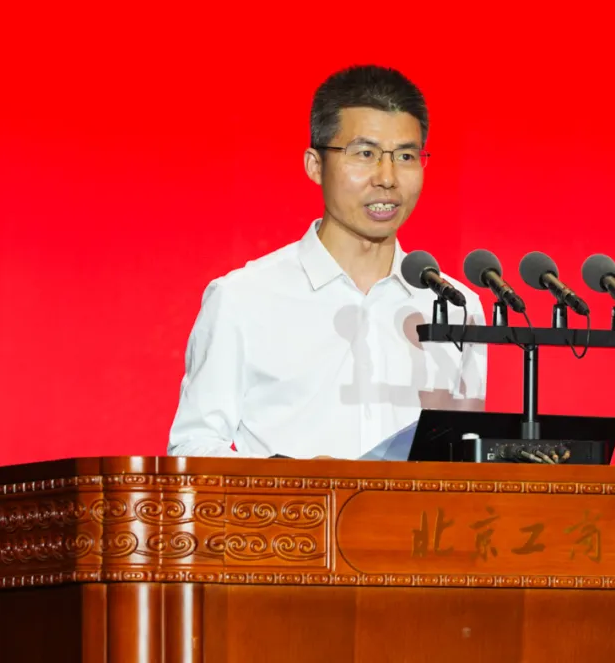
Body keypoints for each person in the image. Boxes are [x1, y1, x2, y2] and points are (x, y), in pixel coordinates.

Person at [167, 65, 487, 459]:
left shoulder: (458, 308)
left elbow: (465, 461)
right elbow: (193, 447)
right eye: (365, 154)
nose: (387, 178)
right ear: (315, 165)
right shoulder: (244, 298)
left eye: (405, 156)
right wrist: (296, 483)